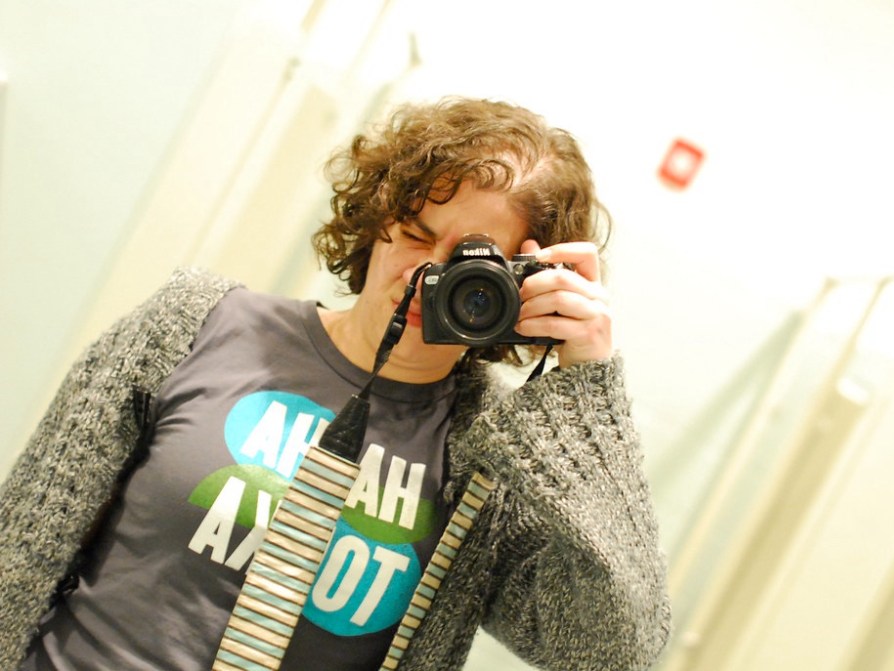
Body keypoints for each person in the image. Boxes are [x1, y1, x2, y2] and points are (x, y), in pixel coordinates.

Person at [0, 96, 671, 670]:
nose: (424, 274)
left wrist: (585, 390)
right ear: (378, 220)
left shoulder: (489, 462)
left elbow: (613, 652)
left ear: (523, 286)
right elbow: (20, 545)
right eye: (415, 233)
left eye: (470, 262)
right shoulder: (194, 321)